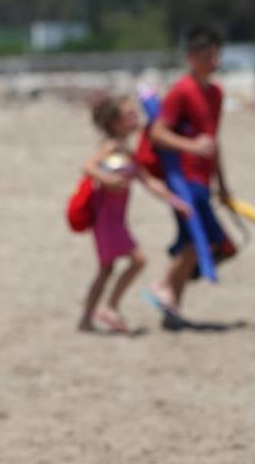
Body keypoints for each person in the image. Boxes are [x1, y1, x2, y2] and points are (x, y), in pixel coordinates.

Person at [144, 24, 235, 320]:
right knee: (202, 241)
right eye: (209, 56)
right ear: (192, 57)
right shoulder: (181, 91)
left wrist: (222, 183)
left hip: (203, 179)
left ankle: (172, 307)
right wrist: (191, 146)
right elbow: (158, 133)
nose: (215, 62)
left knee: (194, 244)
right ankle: (163, 285)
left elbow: (213, 141)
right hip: (181, 178)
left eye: (217, 55)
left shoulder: (217, 94)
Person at [79, 94, 191, 334]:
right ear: (114, 122)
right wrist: (108, 179)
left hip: (117, 218)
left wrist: (175, 201)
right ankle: (109, 307)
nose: (135, 117)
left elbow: (149, 181)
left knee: (106, 269)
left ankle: (87, 320)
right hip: (106, 218)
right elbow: (88, 166)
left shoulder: (127, 151)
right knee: (138, 260)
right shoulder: (111, 146)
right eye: (129, 115)